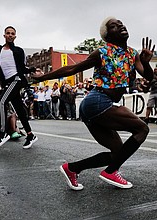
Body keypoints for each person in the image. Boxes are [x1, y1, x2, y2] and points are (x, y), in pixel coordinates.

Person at [32, 17, 155, 190]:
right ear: (107, 36)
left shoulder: (133, 54)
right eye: (114, 26)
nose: (120, 26)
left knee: (118, 152)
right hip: (97, 101)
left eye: (121, 23)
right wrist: (42, 78)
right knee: (142, 129)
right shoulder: (102, 52)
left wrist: (146, 62)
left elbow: (148, 76)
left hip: (95, 107)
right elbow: (72, 69)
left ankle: (73, 168)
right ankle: (111, 172)